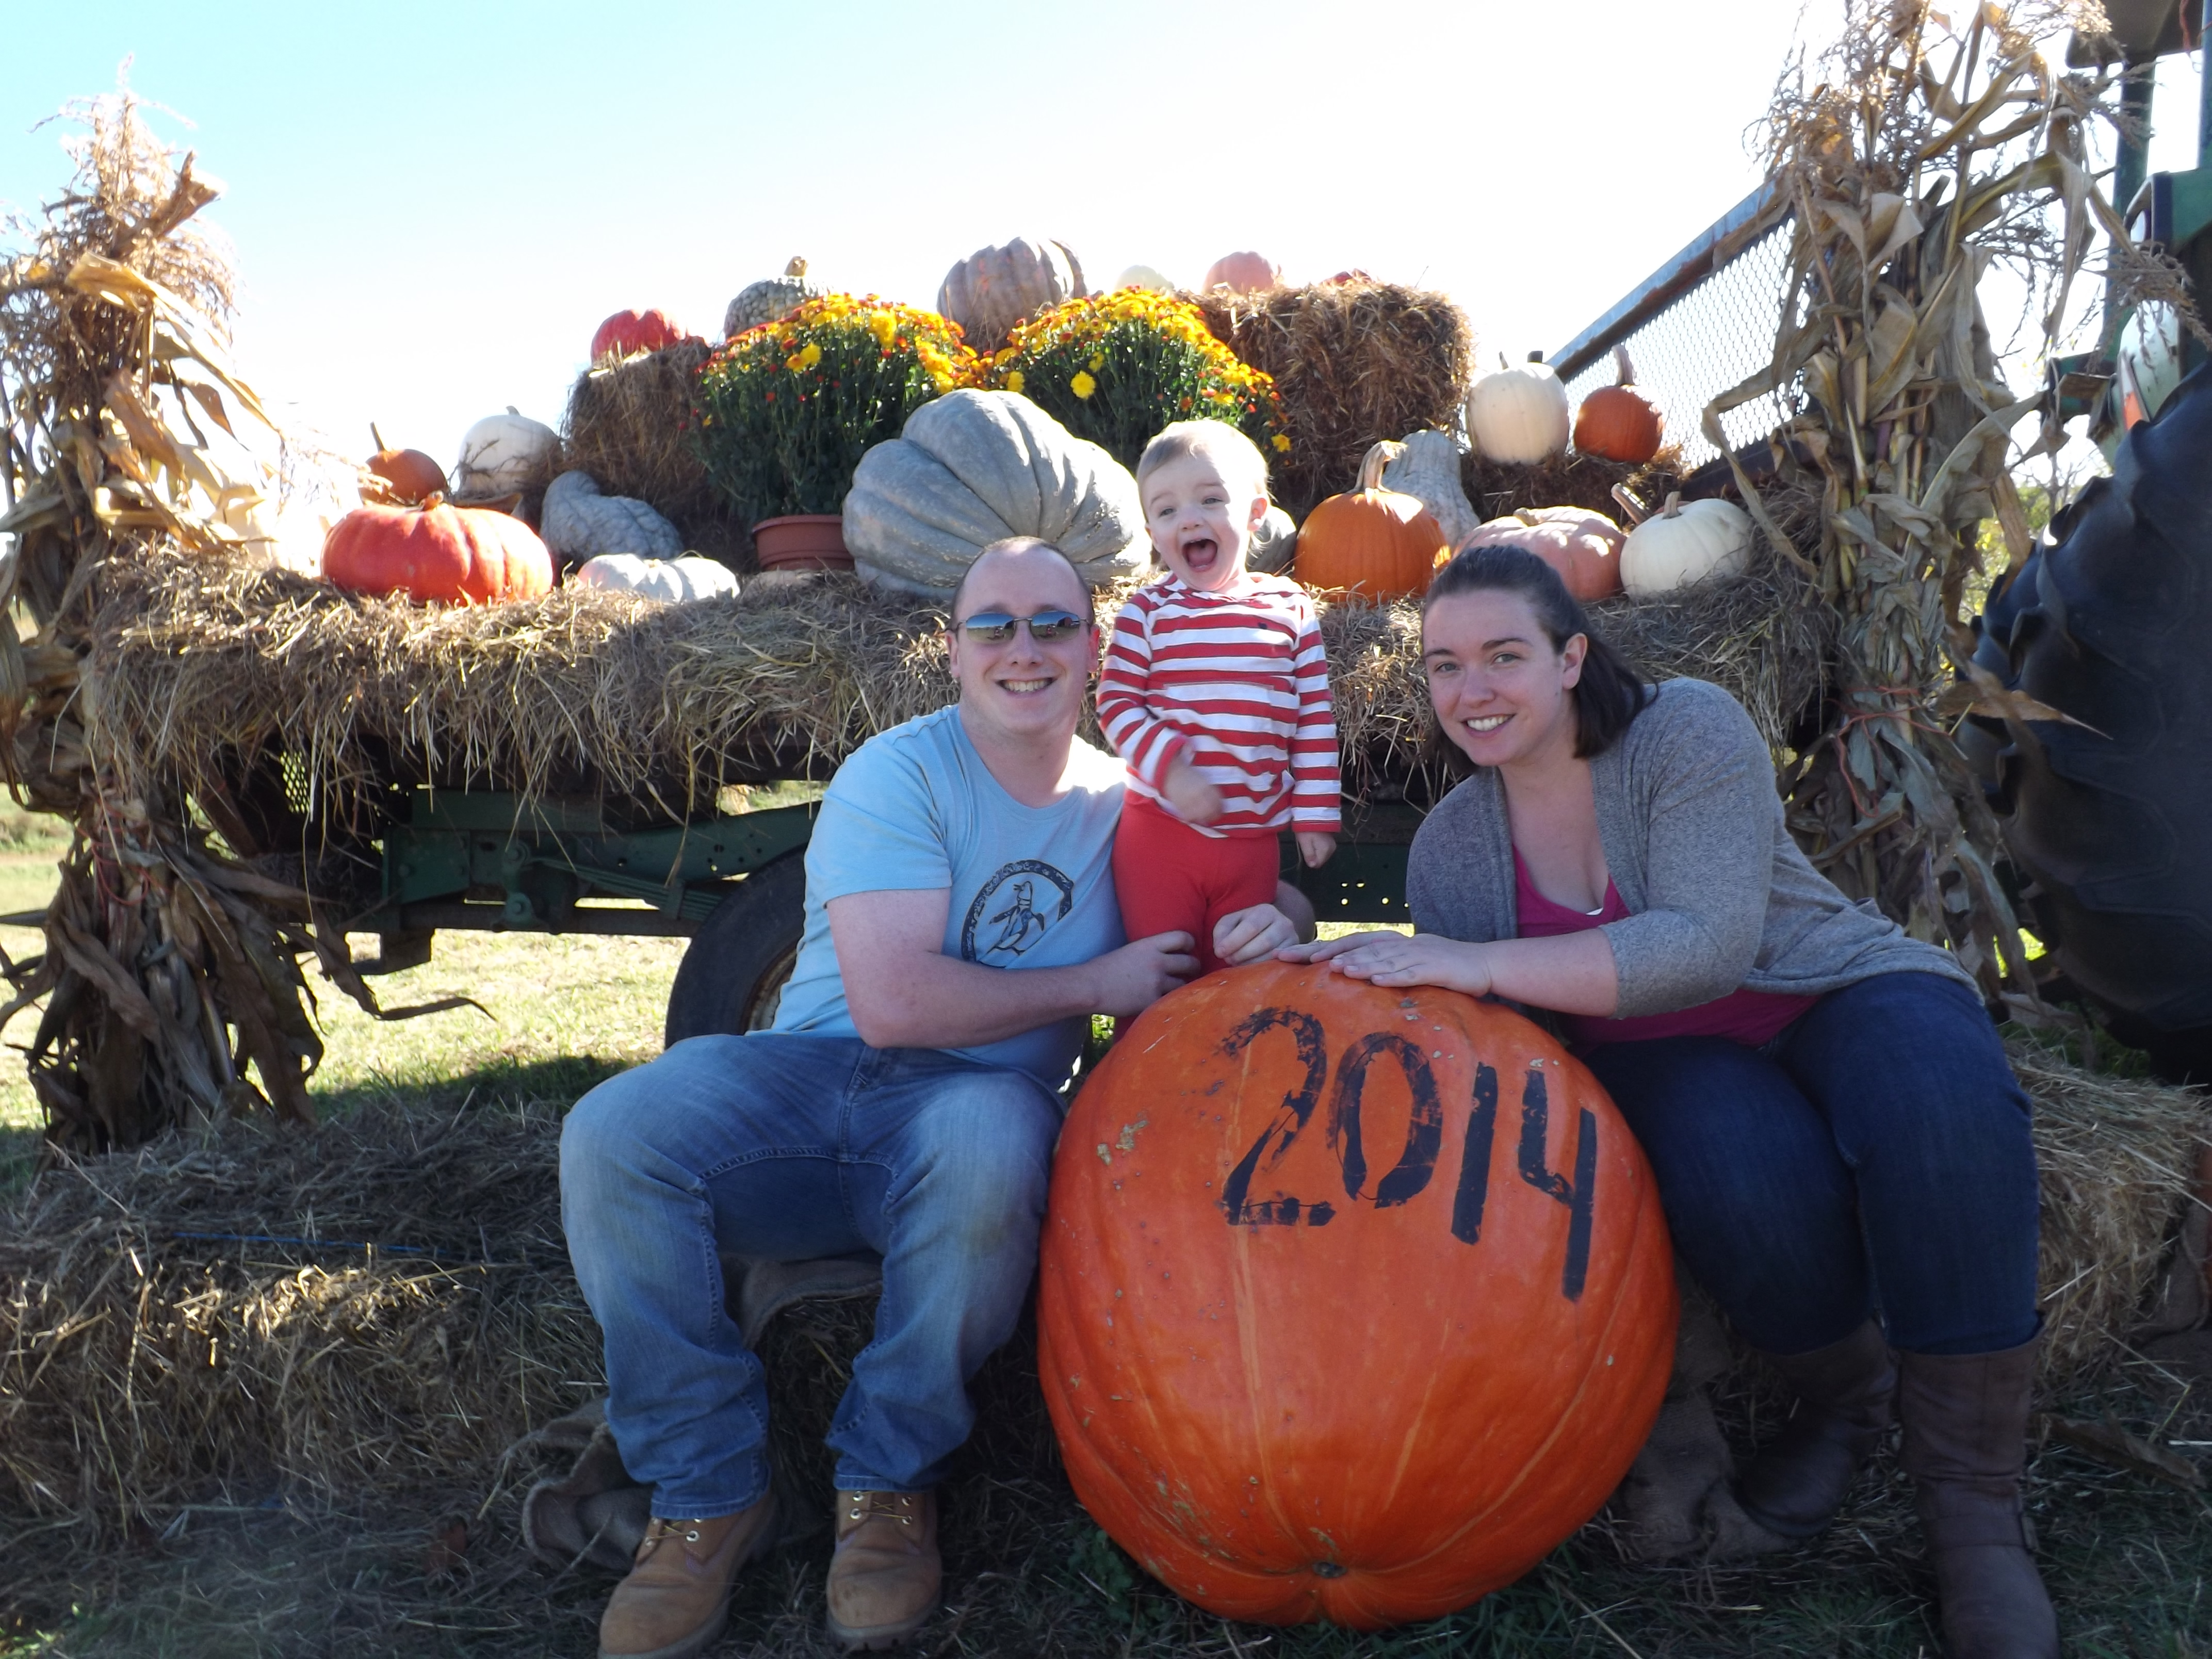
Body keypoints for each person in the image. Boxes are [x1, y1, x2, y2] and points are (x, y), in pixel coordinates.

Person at [1280, 543, 2054, 1659]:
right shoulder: (1451, 855)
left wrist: (1475, 965)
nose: (1473, 690)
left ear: (1568, 658)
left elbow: (1704, 946)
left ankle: (1974, 1511)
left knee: (1936, 1100)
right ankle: (1848, 1399)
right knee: (1724, 1157)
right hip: (1667, 1064)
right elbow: (1484, 1055)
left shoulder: (1681, 728)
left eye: (1504, 655)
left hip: (1820, 988)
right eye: (1446, 667)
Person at [560, 536, 1299, 1658]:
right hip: (807, 1084)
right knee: (614, 1131)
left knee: (996, 1134)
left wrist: (1280, 919)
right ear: (951, 652)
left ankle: (887, 1489)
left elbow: (1248, 876)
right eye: (992, 625)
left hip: (969, 1116)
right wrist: (1095, 983)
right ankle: (705, 1492)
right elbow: (893, 1003)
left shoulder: (1126, 803)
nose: (1023, 647)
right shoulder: (897, 770)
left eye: (1053, 623)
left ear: (1093, 649)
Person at [1096, 419, 1341, 976]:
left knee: (1238, 976)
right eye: (1166, 510)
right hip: (1159, 832)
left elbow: (1313, 720)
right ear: (1153, 533)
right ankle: (1146, 1060)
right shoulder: (1147, 611)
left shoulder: (1289, 608)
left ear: (1255, 514)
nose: (1189, 518)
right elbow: (1115, 703)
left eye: (1210, 499)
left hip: (1250, 841)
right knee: (1164, 970)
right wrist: (1173, 771)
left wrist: (1314, 814)